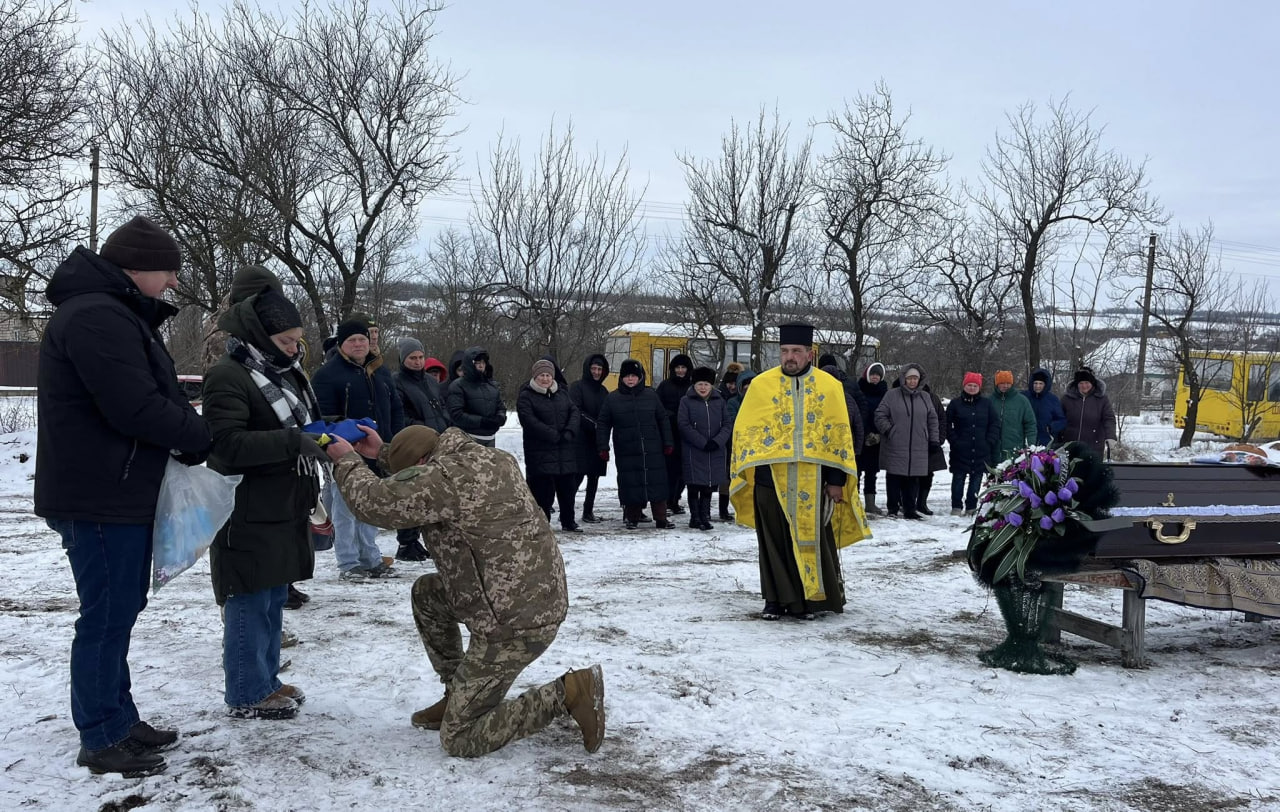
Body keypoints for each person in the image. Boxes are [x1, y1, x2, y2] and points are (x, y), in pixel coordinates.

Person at [36, 216, 213, 777]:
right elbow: (132, 406)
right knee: (107, 615)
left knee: (120, 609)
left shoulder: (113, 313)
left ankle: (119, 718)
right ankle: (100, 734)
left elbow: (148, 396)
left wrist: (185, 429)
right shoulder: (96, 316)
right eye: (169, 272)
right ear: (137, 267)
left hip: (117, 487)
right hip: (98, 492)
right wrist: (200, 438)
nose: (173, 285)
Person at [324, 425, 606, 757]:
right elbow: (421, 476)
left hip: (512, 623)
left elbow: (375, 504)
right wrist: (384, 452)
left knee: (460, 738)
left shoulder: (443, 479)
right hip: (526, 597)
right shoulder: (488, 457)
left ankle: (569, 692)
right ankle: (457, 692)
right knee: (428, 594)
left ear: (423, 462)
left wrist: (347, 460)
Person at [203, 267, 326, 720]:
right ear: (261, 334)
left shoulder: (285, 373)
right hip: (247, 509)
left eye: (298, 341)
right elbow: (226, 444)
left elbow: (297, 424)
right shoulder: (228, 376)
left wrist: (326, 435)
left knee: (273, 598)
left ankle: (265, 678)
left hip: (283, 504)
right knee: (249, 599)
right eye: (289, 341)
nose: (296, 350)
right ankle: (246, 690)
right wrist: (293, 442)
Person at [731, 323, 870, 620]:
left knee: (813, 540)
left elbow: (838, 439)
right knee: (773, 543)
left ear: (810, 353)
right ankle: (774, 600)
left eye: (796, 351)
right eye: (784, 351)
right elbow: (746, 432)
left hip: (815, 481)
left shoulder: (829, 387)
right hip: (770, 479)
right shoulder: (761, 386)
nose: (789, 357)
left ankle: (810, 600)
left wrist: (836, 482)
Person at [310, 320, 396, 581]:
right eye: (352, 340)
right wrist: (348, 432)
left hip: (377, 449)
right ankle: (348, 562)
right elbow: (322, 415)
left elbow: (395, 408)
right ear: (341, 344)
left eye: (363, 339)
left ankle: (370, 557)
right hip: (344, 449)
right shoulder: (327, 375)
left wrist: (392, 440)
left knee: (370, 506)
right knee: (346, 508)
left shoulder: (380, 372)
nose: (359, 344)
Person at [596, 358, 674, 529]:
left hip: (653, 448)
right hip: (627, 449)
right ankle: (632, 517)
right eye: (627, 376)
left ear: (640, 377)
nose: (630, 379)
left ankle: (661, 518)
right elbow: (603, 423)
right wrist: (602, 446)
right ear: (621, 378)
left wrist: (668, 442)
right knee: (630, 483)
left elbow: (662, 419)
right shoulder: (612, 398)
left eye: (633, 376)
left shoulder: (651, 395)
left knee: (657, 482)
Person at [393, 336, 451, 561]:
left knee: (430, 493)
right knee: (411, 493)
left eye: (420, 357)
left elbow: (442, 406)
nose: (417, 362)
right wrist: (419, 429)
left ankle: (418, 538)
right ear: (403, 359)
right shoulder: (397, 381)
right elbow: (401, 415)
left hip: (438, 441)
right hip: (415, 443)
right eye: (412, 358)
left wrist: (446, 425)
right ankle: (406, 541)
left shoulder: (430, 381)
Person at [517, 359, 582, 532]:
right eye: (541, 375)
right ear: (535, 377)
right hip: (541, 452)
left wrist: (569, 431)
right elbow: (529, 421)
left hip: (565, 450)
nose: (545, 379)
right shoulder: (526, 395)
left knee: (567, 490)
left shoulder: (562, 393)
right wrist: (551, 434)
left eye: (548, 375)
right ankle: (542, 523)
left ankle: (568, 521)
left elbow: (574, 412)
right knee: (542, 493)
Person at [874, 363, 940, 520]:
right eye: (909, 378)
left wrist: (934, 440)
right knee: (895, 477)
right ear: (904, 378)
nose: (912, 381)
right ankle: (893, 508)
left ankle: (910, 509)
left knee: (913, 479)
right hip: (896, 443)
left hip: (919, 445)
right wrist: (890, 430)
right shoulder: (892, 395)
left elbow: (933, 419)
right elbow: (880, 415)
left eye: (915, 378)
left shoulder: (925, 397)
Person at [678, 366, 731, 530]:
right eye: (700, 384)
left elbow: (727, 424)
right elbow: (683, 424)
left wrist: (717, 441)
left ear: (711, 386)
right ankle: (695, 517)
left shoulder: (720, 402)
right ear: (694, 385)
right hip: (694, 450)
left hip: (714, 450)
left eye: (706, 384)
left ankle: (704, 515)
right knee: (694, 485)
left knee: (709, 485)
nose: (703, 388)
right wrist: (702, 442)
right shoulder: (686, 401)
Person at [945, 373, 999, 516]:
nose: (972, 388)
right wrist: (954, 441)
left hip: (981, 448)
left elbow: (994, 424)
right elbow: (946, 424)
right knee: (958, 479)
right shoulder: (955, 404)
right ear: (964, 386)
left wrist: (989, 441)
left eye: (975, 386)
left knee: (976, 480)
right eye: (969, 385)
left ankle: (971, 506)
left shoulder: (986, 404)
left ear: (979, 387)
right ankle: (956, 505)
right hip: (960, 449)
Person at [568, 353, 610, 523]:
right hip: (580, 439)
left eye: (599, 369)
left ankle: (588, 511)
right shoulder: (577, 387)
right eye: (593, 368)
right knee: (576, 478)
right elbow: (575, 410)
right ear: (587, 368)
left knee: (594, 478)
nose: (596, 372)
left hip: (598, 440)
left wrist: (603, 429)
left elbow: (607, 415)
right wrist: (594, 425)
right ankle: (568, 510)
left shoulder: (604, 391)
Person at [656, 353, 694, 514]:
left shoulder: (692, 387)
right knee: (669, 471)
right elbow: (658, 407)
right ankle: (667, 500)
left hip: (687, 434)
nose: (680, 371)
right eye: (677, 368)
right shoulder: (665, 386)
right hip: (669, 433)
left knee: (684, 472)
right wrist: (669, 415)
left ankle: (676, 499)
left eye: (683, 367)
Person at [447, 346, 507, 447]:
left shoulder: (492, 385)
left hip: (490, 438)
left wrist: (500, 418)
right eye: (477, 363)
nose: (481, 366)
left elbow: (501, 407)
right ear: (469, 364)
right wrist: (481, 421)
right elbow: (456, 414)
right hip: (468, 439)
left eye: (483, 363)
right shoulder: (458, 385)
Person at [1061, 367, 1117, 455]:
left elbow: (1109, 418)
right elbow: (1059, 418)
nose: (1084, 386)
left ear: (1092, 383)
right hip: (1070, 444)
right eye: (1081, 383)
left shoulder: (1102, 399)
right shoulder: (1067, 399)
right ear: (1077, 384)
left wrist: (1111, 436)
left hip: (1094, 445)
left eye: (1087, 383)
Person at [857, 363, 889, 515]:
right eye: (872, 374)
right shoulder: (859, 390)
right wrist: (865, 433)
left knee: (871, 473)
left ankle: (870, 503)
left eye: (877, 375)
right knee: (855, 473)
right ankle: (854, 502)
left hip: (877, 439)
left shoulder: (885, 393)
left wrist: (879, 434)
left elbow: (888, 415)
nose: (875, 377)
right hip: (860, 438)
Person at [916, 369, 948, 516]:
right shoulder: (900, 395)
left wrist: (939, 439)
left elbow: (941, 419)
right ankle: (907, 502)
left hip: (930, 443)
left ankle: (922, 503)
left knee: (928, 474)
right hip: (909, 443)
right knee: (909, 476)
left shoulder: (932, 398)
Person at [991, 370, 1037, 461]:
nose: (1005, 386)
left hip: (1015, 452)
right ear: (997, 384)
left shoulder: (1022, 401)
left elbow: (1030, 424)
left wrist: (1030, 444)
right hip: (993, 452)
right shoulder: (990, 401)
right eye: (1002, 383)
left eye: (1008, 383)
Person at [1026, 367, 1068, 446]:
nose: (1037, 386)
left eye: (1040, 383)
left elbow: (1062, 420)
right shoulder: (1024, 397)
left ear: (1045, 385)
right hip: (1027, 440)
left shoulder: (1052, 399)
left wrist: (1052, 427)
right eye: (1035, 383)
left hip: (1046, 441)